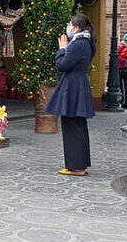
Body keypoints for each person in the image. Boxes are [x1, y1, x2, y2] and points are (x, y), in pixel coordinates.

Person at [46, 14, 96, 176]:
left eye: (70, 24)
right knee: (77, 126)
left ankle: (76, 167)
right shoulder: (85, 42)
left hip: (73, 86)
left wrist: (62, 49)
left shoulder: (78, 44)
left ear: (77, 28)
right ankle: (79, 165)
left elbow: (62, 65)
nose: (68, 26)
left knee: (72, 126)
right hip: (79, 84)